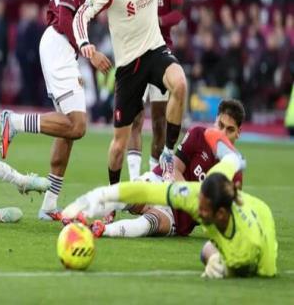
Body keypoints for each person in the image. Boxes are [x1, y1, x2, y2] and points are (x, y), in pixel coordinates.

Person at [72, 0, 229, 192]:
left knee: (180, 83)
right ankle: (113, 196)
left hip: (155, 50)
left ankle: (167, 156)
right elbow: (82, 14)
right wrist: (86, 44)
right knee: (118, 144)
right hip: (128, 65)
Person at [0, 0, 115, 220]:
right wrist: (87, 49)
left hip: (62, 46)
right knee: (77, 126)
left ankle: (49, 204)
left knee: (68, 131)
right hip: (59, 44)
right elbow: (65, 18)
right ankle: (15, 122)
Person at [62, 146, 277, 279]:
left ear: (220, 214)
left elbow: (245, 269)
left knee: (209, 253)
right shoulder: (198, 195)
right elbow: (146, 191)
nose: (197, 210)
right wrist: (99, 195)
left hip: (258, 246)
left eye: (203, 209)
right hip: (223, 221)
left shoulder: (248, 246)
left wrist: (222, 268)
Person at [89, 99, 246, 239]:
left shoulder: (234, 168)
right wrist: (190, 197)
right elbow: (175, 168)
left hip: (179, 217)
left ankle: (102, 230)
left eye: (230, 129)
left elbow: (222, 213)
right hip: (163, 183)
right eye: (220, 125)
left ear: (238, 133)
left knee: (149, 225)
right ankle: (79, 216)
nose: (223, 133)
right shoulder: (198, 134)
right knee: (123, 196)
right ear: (215, 121)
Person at [126, 0, 185, 180]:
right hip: (135, 51)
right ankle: (133, 181)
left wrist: (156, 21)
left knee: (160, 121)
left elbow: (178, 13)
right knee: (135, 118)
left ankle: (152, 179)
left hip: (160, 51)